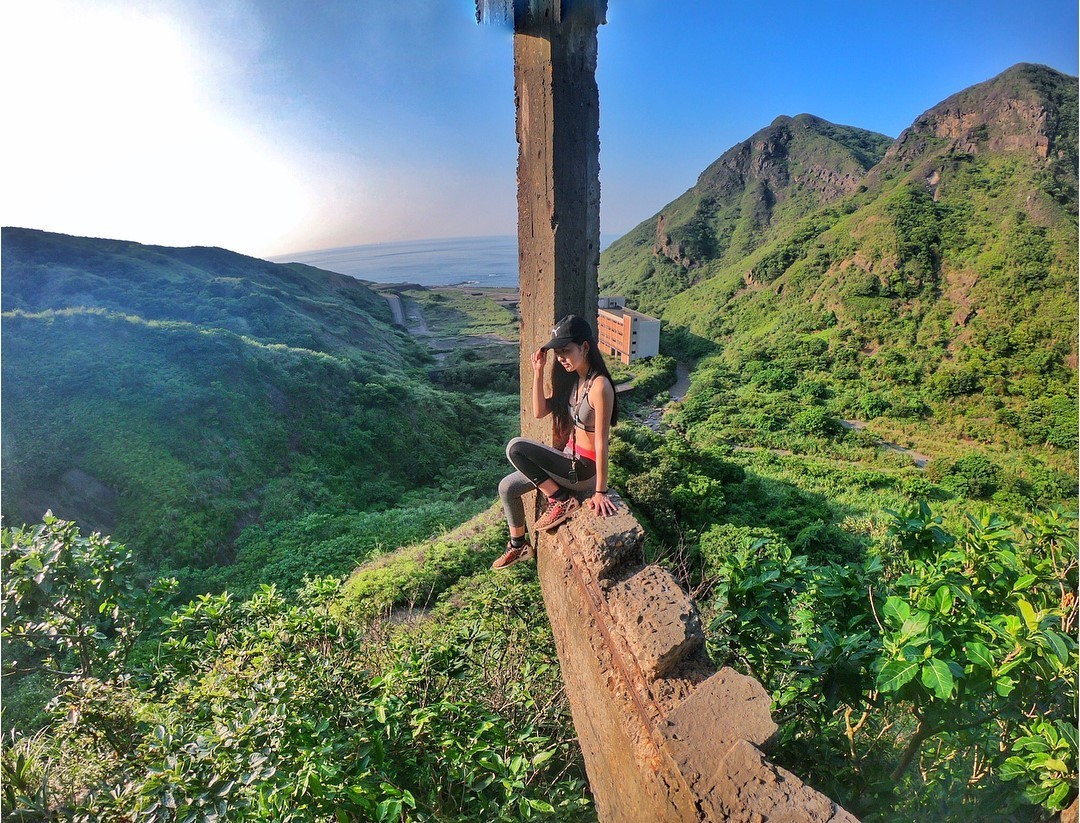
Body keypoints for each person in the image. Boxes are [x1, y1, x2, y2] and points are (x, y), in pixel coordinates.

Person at [493, 314, 619, 570]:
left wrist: (600, 491)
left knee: (515, 448)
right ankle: (519, 546)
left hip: (582, 470)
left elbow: (603, 443)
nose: (561, 357)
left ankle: (561, 499)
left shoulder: (600, 386)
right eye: (557, 352)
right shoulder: (573, 380)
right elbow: (539, 411)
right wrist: (538, 372)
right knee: (507, 487)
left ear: (585, 347)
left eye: (566, 350)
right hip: (567, 463)